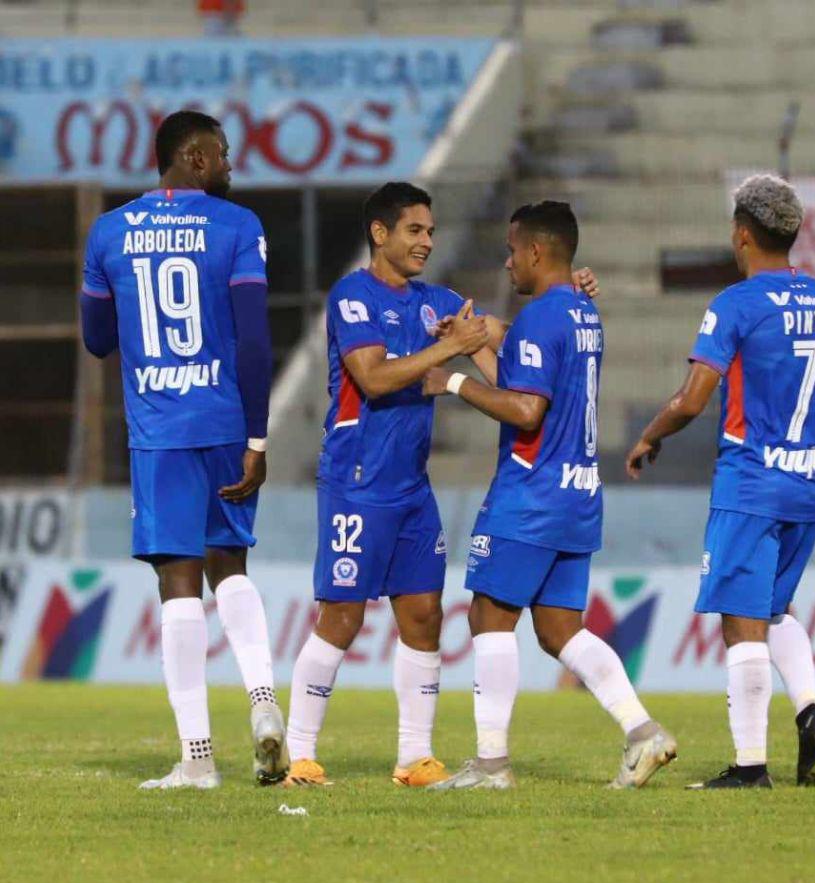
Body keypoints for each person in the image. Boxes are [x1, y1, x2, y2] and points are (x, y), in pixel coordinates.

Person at [281, 184, 599, 789]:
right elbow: (372, 379)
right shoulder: (353, 297)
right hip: (357, 480)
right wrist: (451, 348)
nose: (427, 241)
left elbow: (507, 336)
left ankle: (414, 758)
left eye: (430, 231)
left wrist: (567, 293)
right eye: (414, 231)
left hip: (410, 487)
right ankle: (298, 753)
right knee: (342, 618)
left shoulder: (437, 302)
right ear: (381, 234)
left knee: (424, 616)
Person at [424, 201, 675, 790]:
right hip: (578, 493)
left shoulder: (540, 318)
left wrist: (452, 381)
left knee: (489, 615)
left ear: (537, 251)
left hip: (530, 492)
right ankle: (643, 733)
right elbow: (522, 377)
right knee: (560, 629)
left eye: (513, 250)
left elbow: (527, 408)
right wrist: (473, 344)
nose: (508, 262)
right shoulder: (584, 312)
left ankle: (490, 765)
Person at [79, 110, 285, 789]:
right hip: (225, 421)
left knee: (177, 584)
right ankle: (263, 705)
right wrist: (257, 436)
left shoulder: (108, 232)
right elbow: (255, 342)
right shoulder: (238, 227)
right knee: (232, 568)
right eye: (223, 154)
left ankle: (197, 759)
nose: (230, 166)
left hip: (160, 430)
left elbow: (97, 337)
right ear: (193, 158)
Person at [626, 174, 815, 789]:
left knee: (741, 621)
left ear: (741, 234)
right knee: (773, 611)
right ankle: (809, 709)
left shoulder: (735, 304)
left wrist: (652, 434)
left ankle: (750, 767)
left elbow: (694, 398)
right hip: (809, 480)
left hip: (753, 479)